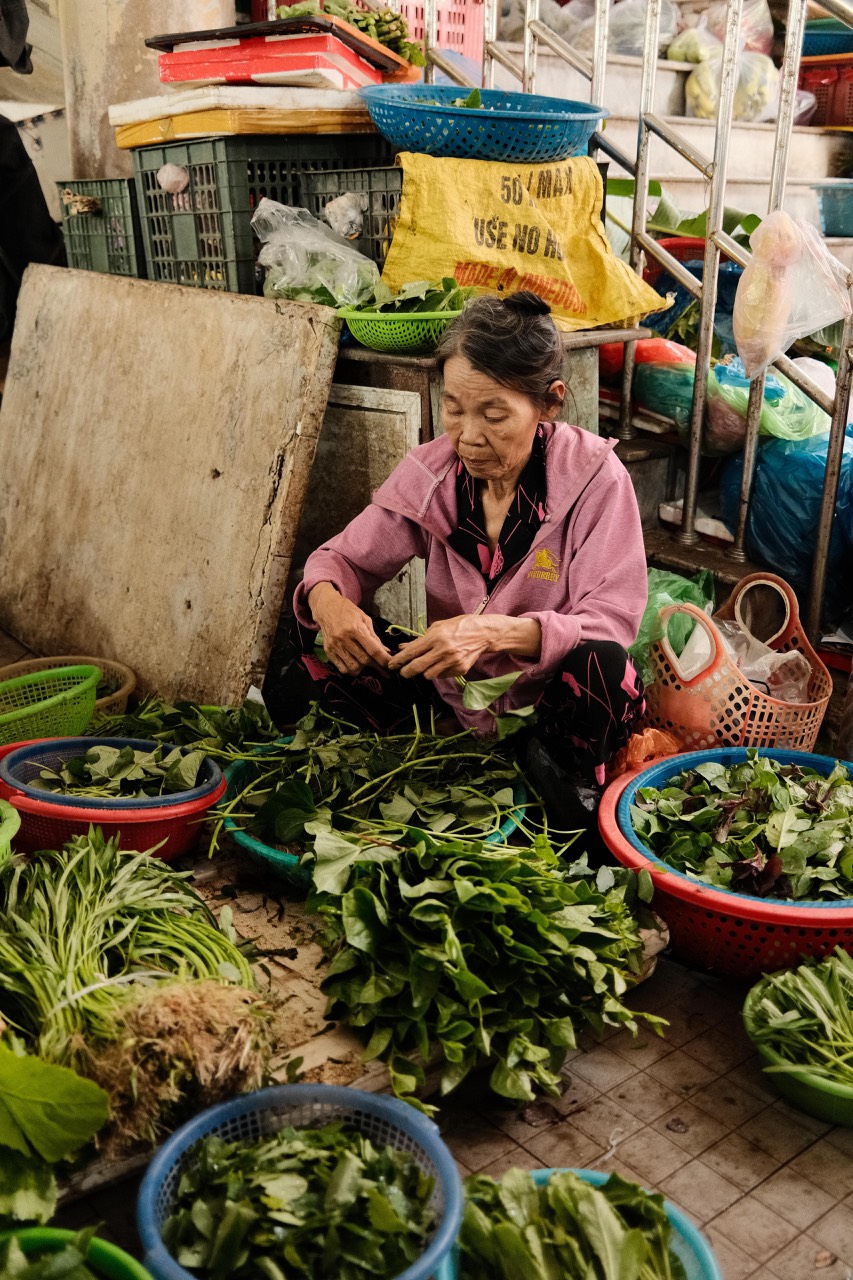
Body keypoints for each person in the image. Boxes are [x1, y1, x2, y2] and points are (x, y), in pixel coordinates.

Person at [264, 292, 648, 829]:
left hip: (548, 709)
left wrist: (493, 633)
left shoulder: (594, 481)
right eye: (453, 408)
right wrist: (331, 602)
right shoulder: (432, 474)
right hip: (452, 703)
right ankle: (447, 753)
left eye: (494, 414)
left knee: (605, 667)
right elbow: (340, 560)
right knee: (307, 642)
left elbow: (612, 620)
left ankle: (561, 809)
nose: (468, 435)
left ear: (550, 403)